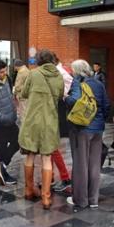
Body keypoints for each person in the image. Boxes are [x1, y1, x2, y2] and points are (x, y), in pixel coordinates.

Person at [18, 49, 64, 209]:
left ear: (39, 60)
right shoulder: (58, 76)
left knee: (30, 155)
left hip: (32, 120)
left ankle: (29, 189)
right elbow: (60, 96)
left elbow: (23, 93)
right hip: (49, 122)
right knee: (46, 158)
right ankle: (46, 198)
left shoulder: (34, 73)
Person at [65, 59, 110, 210]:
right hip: (98, 129)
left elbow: (74, 101)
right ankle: (93, 199)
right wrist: (100, 121)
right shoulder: (98, 83)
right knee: (95, 164)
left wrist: (65, 98)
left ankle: (81, 200)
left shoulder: (77, 82)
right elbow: (106, 105)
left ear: (76, 71)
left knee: (80, 164)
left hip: (82, 128)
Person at [0, 59, 19, 186]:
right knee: (1, 146)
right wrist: (1, 117)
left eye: (5, 70)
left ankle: (1, 166)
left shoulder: (8, 79)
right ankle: (1, 171)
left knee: (18, 141)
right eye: (1, 72)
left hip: (11, 119)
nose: (4, 73)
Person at [51, 55, 73, 193]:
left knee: (52, 149)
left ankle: (63, 177)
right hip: (57, 113)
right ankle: (53, 177)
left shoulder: (59, 73)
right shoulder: (61, 72)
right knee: (51, 150)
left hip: (56, 114)